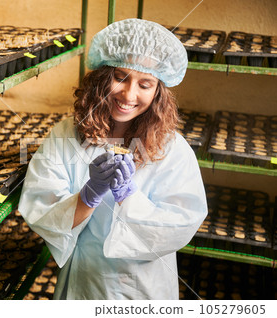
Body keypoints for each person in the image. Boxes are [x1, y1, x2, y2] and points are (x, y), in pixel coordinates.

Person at [18, 18, 207, 300]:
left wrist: (128, 197)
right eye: (120, 77)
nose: (129, 94)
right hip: (81, 283)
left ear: (158, 92)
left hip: (140, 288)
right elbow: (39, 205)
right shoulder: (66, 134)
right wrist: (87, 196)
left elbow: (180, 224)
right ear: (102, 77)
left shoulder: (173, 149)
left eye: (145, 84)